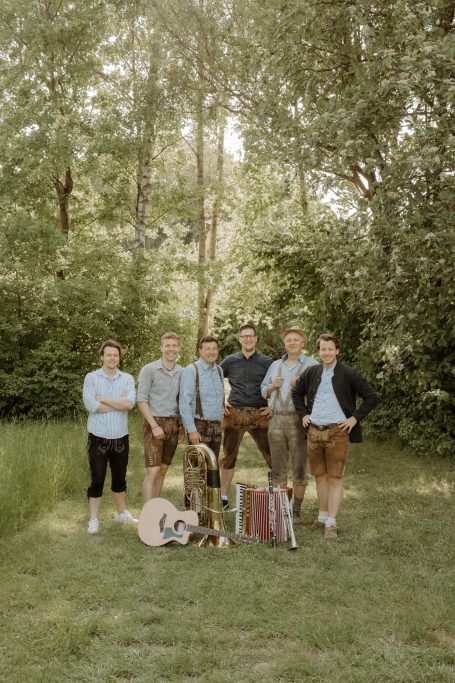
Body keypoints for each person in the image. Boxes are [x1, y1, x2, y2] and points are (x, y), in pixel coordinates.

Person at [291, 333, 378, 539]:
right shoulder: (312, 372)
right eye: (323, 349)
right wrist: (303, 414)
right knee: (320, 476)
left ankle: (331, 522)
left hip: (338, 432)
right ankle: (322, 517)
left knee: (335, 478)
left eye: (330, 349)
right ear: (319, 351)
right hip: (314, 431)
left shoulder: (348, 373)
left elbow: (371, 397)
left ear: (337, 351)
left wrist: (354, 419)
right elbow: (296, 392)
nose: (327, 353)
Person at [261, 326, 319, 521]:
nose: (292, 342)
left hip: (299, 420)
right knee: (278, 467)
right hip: (276, 419)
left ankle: (296, 511)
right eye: (289, 340)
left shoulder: (312, 364)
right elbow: (263, 389)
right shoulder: (275, 365)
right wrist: (271, 387)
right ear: (284, 343)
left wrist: (302, 385)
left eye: (296, 339)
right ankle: (281, 509)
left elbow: (320, 391)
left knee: (299, 467)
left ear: (303, 343)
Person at [82, 339, 137, 534]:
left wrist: (103, 399)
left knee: (119, 478)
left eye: (115, 355)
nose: (112, 358)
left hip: (120, 438)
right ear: (102, 357)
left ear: (119, 357)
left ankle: (121, 513)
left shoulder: (127, 378)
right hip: (97, 438)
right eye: (109, 355)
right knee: (97, 478)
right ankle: (93, 519)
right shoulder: (91, 378)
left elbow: (129, 404)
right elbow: (91, 405)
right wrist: (118, 403)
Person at [219, 323, 273, 509]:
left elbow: (278, 385)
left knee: (273, 457)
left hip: (260, 414)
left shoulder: (267, 362)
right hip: (234, 413)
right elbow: (213, 378)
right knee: (228, 458)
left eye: (251, 336)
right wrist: (220, 402)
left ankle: (279, 498)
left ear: (256, 339)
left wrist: (273, 406)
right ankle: (223, 499)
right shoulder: (230, 361)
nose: (248, 339)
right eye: (244, 336)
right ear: (240, 339)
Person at [137, 332, 183, 502]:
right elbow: (141, 400)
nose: (171, 349)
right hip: (154, 422)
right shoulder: (149, 370)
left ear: (179, 348)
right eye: (167, 345)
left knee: (163, 470)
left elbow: (183, 400)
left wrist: (182, 426)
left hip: (174, 424)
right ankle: (147, 512)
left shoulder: (182, 372)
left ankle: (155, 509)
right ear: (161, 348)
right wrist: (154, 426)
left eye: (174, 346)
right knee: (153, 470)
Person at [179, 336, 225, 458]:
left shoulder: (219, 370)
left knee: (213, 466)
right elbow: (184, 403)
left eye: (214, 348)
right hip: (199, 427)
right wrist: (191, 430)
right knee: (197, 466)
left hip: (217, 426)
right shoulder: (191, 370)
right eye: (207, 349)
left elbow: (218, 397)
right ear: (200, 351)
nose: (211, 352)